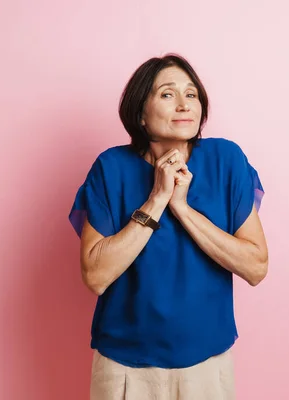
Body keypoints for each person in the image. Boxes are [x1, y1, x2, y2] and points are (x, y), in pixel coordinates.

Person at [68, 53, 268, 400]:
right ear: (141, 115)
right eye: (167, 94)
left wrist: (182, 208)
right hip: (125, 368)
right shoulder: (110, 168)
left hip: (207, 365)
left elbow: (255, 266)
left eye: (191, 94)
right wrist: (157, 200)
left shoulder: (227, 160)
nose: (183, 104)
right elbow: (96, 276)